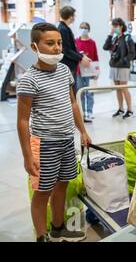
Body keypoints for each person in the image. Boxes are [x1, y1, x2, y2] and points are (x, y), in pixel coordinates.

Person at [16, 23, 92, 242]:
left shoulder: (64, 70)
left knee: (62, 185)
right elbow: (22, 120)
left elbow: (72, 103)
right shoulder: (29, 80)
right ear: (34, 46)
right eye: (50, 43)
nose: (57, 48)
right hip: (44, 144)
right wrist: (27, 155)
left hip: (67, 141)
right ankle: (42, 237)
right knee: (42, 192)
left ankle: (58, 228)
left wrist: (82, 132)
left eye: (59, 43)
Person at [103, 18, 136, 120]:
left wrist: (124, 60)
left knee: (124, 88)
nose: (114, 28)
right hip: (114, 66)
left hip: (123, 66)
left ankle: (130, 110)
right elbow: (105, 47)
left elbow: (132, 54)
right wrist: (110, 34)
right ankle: (120, 108)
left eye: (116, 26)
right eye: (113, 26)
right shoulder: (114, 38)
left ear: (121, 26)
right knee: (117, 88)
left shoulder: (127, 38)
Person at [58, 6, 91, 88]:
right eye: (74, 15)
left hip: (70, 65)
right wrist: (81, 58)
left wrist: (81, 56)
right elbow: (66, 50)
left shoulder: (66, 28)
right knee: (71, 92)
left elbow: (71, 48)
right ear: (70, 16)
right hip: (67, 65)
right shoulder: (63, 29)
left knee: (73, 91)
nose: (74, 17)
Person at [75, 22, 99, 123]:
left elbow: (95, 57)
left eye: (85, 28)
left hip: (90, 71)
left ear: (88, 29)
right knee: (80, 92)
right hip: (79, 71)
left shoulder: (92, 42)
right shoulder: (75, 41)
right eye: (82, 28)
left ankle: (89, 112)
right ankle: (81, 112)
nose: (83, 29)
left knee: (89, 93)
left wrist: (96, 72)